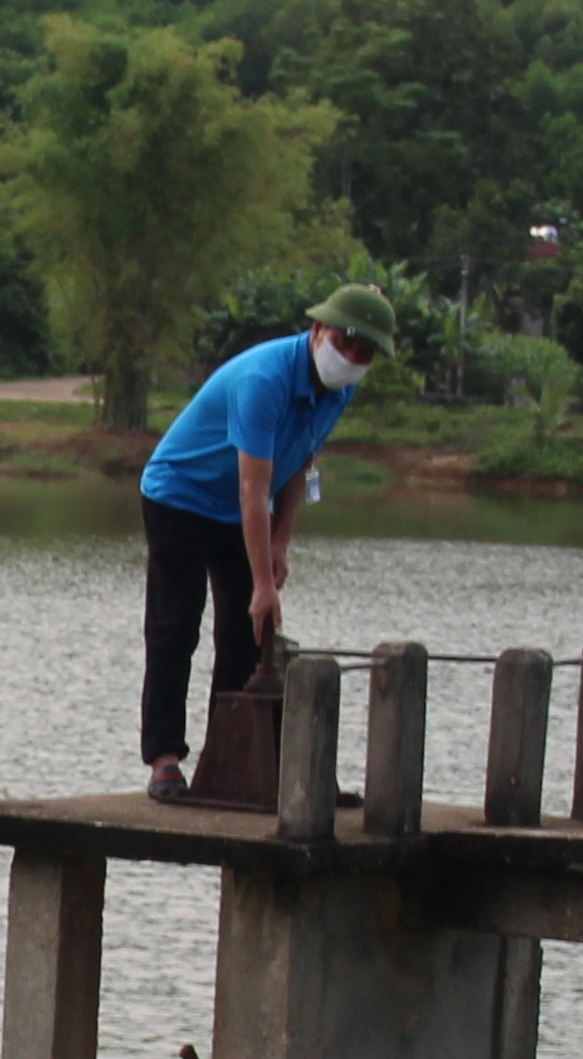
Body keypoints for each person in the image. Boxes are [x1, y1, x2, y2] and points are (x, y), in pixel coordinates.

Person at [133, 282, 393, 803]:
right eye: (345, 344)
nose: (353, 359)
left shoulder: (340, 390)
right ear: (318, 330)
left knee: (245, 637)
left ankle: (229, 758)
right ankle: (165, 762)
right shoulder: (264, 378)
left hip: (240, 508)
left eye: (364, 352)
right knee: (175, 628)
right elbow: (252, 487)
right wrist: (260, 584)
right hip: (180, 496)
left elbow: (299, 463)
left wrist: (279, 546)